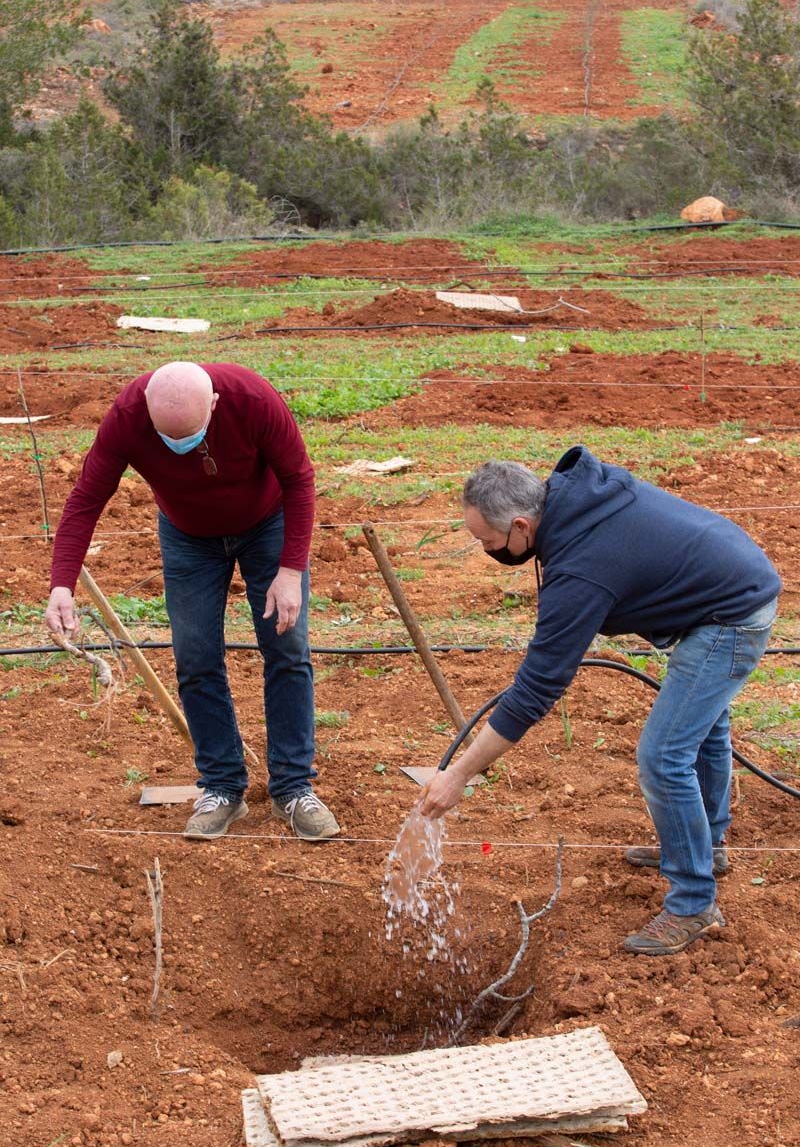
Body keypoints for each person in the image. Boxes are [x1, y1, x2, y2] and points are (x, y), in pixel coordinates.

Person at [418, 446, 781, 956]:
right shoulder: (576, 497)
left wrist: (457, 775)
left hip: (731, 615)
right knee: (701, 733)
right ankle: (706, 846)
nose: (486, 550)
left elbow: (537, 689)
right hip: (726, 583)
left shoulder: (582, 566)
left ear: (523, 525)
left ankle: (693, 902)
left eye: (488, 541)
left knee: (664, 755)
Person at [45, 361, 339, 843]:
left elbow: (299, 480)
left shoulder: (252, 399)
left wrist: (290, 571)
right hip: (189, 538)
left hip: (268, 525)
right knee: (196, 656)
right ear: (148, 413)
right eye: (166, 437)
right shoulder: (126, 416)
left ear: (215, 406)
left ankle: (293, 787)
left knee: (286, 647)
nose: (177, 447)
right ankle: (223, 788)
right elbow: (86, 498)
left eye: (189, 435)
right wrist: (62, 584)